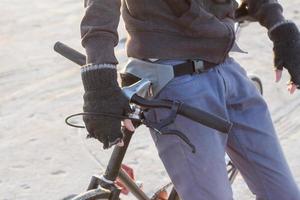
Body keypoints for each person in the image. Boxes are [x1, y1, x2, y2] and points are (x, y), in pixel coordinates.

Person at [80, 0, 300, 199]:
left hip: (226, 65)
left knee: (285, 195)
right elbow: (100, 7)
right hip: (176, 80)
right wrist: (99, 82)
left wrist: (280, 27)